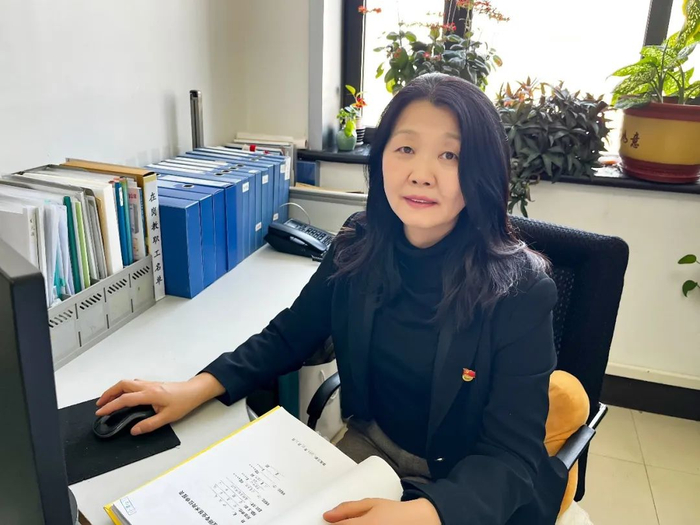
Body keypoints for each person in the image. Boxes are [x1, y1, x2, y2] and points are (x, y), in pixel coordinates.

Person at [96, 73, 568, 525]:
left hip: (463, 481)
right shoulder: (359, 244)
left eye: (450, 155)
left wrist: (425, 514)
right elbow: (290, 335)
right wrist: (196, 387)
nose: (421, 175)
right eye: (405, 148)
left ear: (482, 170)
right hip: (371, 447)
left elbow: (511, 457)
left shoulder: (521, 290)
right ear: (381, 159)